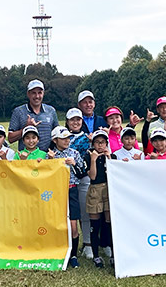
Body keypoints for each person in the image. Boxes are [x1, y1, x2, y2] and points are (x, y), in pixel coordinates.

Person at [48, 126, 86, 268]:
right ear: (55, 140)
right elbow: (47, 176)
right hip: (57, 193)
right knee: (58, 224)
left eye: (68, 138)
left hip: (72, 191)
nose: (67, 140)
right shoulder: (50, 155)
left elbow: (82, 173)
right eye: (63, 138)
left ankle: (73, 255)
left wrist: (74, 164)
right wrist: (50, 162)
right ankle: (59, 251)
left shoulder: (74, 153)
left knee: (73, 225)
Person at [85, 130, 117, 268]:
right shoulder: (88, 156)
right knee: (95, 223)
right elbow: (92, 176)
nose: (100, 145)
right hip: (95, 189)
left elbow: (114, 174)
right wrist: (93, 159)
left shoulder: (112, 156)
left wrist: (109, 158)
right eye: (97, 142)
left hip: (109, 189)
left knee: (109, 222)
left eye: (103, 142)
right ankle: (96, 255)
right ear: (93, 143)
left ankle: (113, 254)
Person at [65, 107, 93, 259]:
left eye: (78, 119)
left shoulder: (88, 138)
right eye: (72, 120)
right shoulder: (61, 137)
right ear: (67, 122)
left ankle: (88, 244)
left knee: (84, 212)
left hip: (83, 178)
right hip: (66, 181)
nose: (75, 122)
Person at [9, 79, 59, 152]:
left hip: (47, 158)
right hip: (26, 158)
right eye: (33, 93)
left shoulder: (51, 111)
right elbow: (10, 138)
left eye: (40, 93)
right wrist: (26, 128)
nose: (37, 96)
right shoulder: (18, 111)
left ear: (43, 93)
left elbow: (57, 135)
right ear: (28, 94)